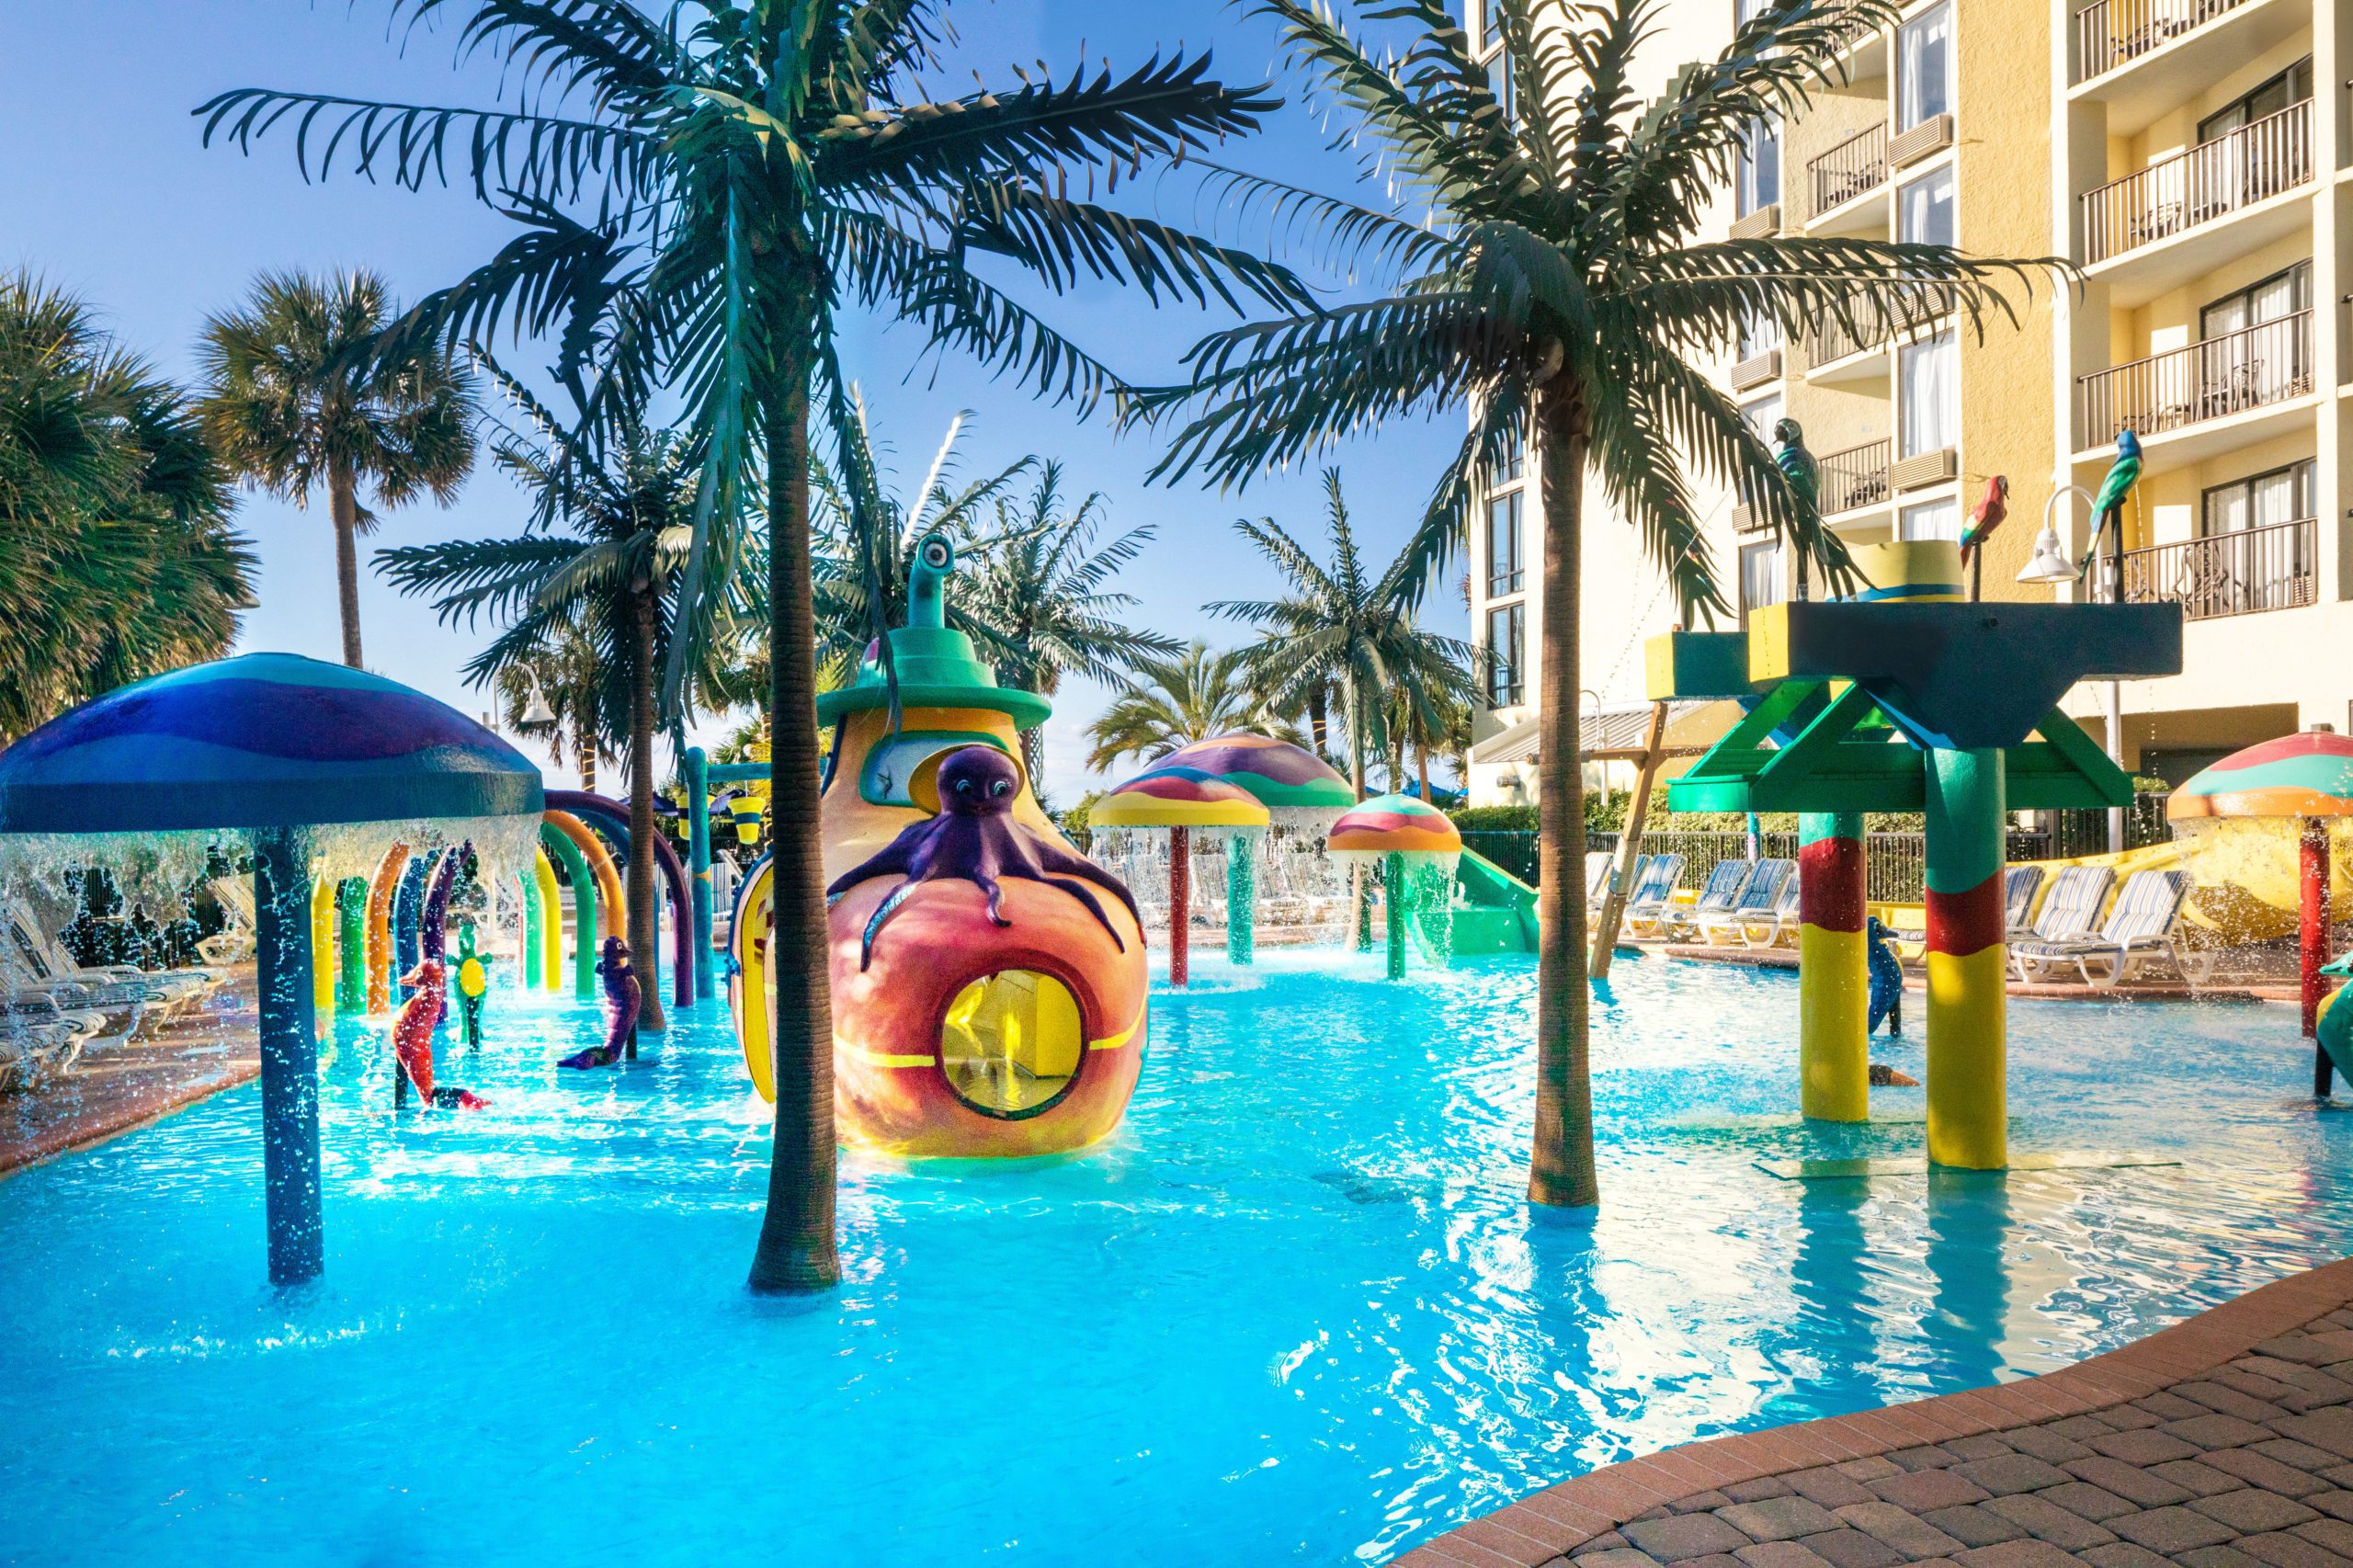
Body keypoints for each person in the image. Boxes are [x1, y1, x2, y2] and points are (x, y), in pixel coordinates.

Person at [392, 956, 486, 1109]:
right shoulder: (432, 994)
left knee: (427, 1095)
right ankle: (465, 1098)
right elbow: (416, 978)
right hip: (412, 1040)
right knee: (425, 1089)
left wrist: (413, 978)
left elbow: (415, 979)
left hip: (409, 1040)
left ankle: (464, 1096)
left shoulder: (427, 996)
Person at [560, 936, 640, 1070]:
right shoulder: (615, 973)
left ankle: (579, 1060)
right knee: (610, 1053)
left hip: (624, 1008)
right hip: (622, 1013)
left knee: (611, 1048)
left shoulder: (610, 972)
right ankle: (584, 1060)